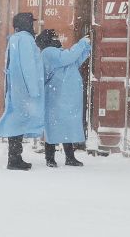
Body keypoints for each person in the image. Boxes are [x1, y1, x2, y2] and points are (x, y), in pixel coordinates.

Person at [0, 12, 45, 171]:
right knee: (18, 121)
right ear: (27, 24)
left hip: (15, 88)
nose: (33, 26)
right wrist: (34, 89)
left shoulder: (14, 39)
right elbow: (29, 66)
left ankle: (14, 157)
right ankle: (14, 159)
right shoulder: (26, 40)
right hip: (24, 89)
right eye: (31, 23)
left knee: (15, 120)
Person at [36, 29, 92, 167]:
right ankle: (50, 159)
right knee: (54, 127)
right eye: (54, 37)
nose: (57, 39)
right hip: (56, 97)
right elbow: (68, 57)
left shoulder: (59, 53)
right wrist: (81, 43)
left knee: (65, 126)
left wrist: (86, 47)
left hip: (64, 97)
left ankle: (69, 158)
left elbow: (75, 60)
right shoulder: (48, 53)